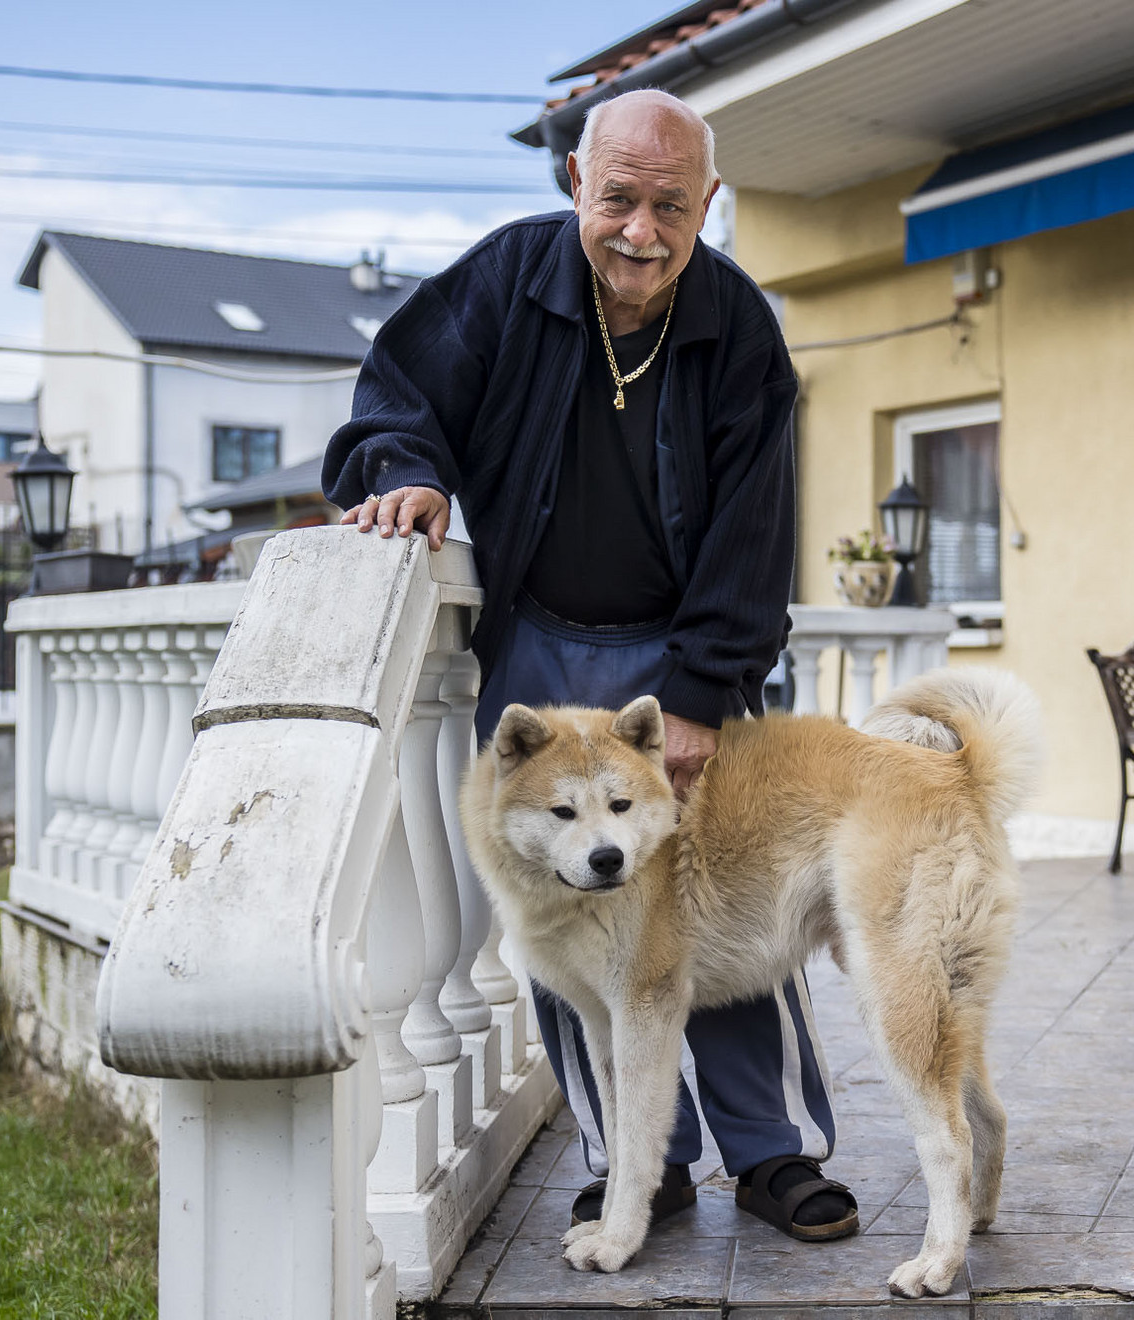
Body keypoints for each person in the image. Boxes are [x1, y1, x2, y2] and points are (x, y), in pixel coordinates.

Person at [322, 90, 856, 1241]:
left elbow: (759, 523)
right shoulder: (508, 278)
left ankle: (771, 1154)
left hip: (682, 651)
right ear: (577, 183)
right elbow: (401, 391)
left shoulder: (738, 324)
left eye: (672, 204)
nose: (642, 230)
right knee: (571, 916)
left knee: (731, 911)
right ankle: (637, 1162)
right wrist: (411, 468)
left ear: (708, 201)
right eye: (620, 198)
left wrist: (709, 691)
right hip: (544, 644)